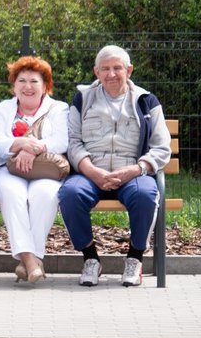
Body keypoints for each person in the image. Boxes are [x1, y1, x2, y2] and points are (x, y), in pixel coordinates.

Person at [59, 45, 172, 287]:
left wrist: (136, 169)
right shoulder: (82, 98)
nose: (111, 74)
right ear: (96, 72)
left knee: (146, 194)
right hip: (90, 171)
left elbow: (162, 147)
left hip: (132, 171)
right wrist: (92, 171)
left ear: (129, 70)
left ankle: (135, 257)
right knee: (70, 193)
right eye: (105, 69)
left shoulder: (146, 101)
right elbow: (73, 142)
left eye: (117, 68)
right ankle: (90, 259)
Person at [0, 56, 69, 284]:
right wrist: (20, 144)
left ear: (45, 86)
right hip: (9, 167)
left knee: (45, 195)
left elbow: (61, 141)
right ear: (13, 85)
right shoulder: (4, 108)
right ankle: (31, 260)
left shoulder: (58, 108)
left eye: (34, 81)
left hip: (46, 168)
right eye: (21, 80)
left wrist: (34, 148)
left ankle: (28, 261)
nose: (27, 86)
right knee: (11, 194)